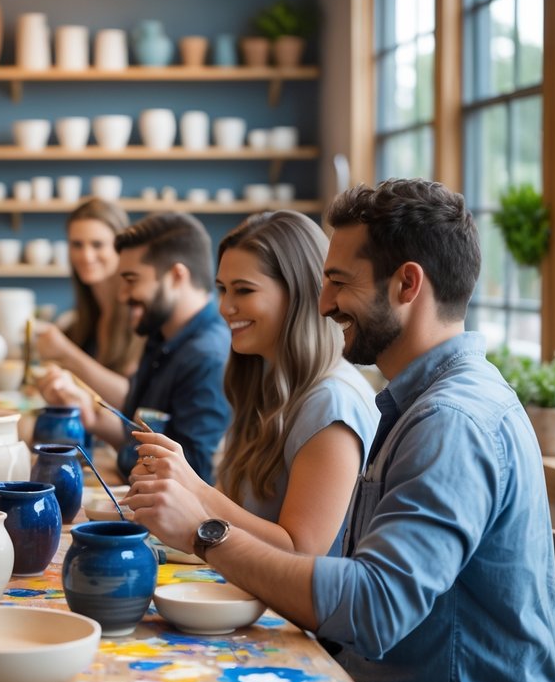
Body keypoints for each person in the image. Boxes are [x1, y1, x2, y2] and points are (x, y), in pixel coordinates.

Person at [128, 179, 555, 682]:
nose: (325, 303)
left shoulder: (453, 422)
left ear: (407, 283)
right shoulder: (414, 404)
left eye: (338, 282)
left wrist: (206, 533)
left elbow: (372, 608)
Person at [129, 211, 379, 556]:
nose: (226, 308)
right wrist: (171, 493)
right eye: (222, 290)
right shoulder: (266, 381)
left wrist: (194, 489)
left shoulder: (331, 402)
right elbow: (235, 511)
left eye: (243, 291)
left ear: (299, 295)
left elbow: (301, 552)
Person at [39, 211, 231, 483]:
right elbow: (138, 439)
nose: (122, 295)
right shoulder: (160, 336)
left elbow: (191, 476)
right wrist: (90, 415)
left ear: (176, 276)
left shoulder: (207, 357)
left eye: (131, 280)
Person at [36, 198, 142, 408]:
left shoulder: (139, 314)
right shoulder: (85, 317)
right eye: (77, 244)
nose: (86, 255)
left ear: (121, 249)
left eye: (97, 244)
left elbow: (131, 398)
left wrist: (66, 353)